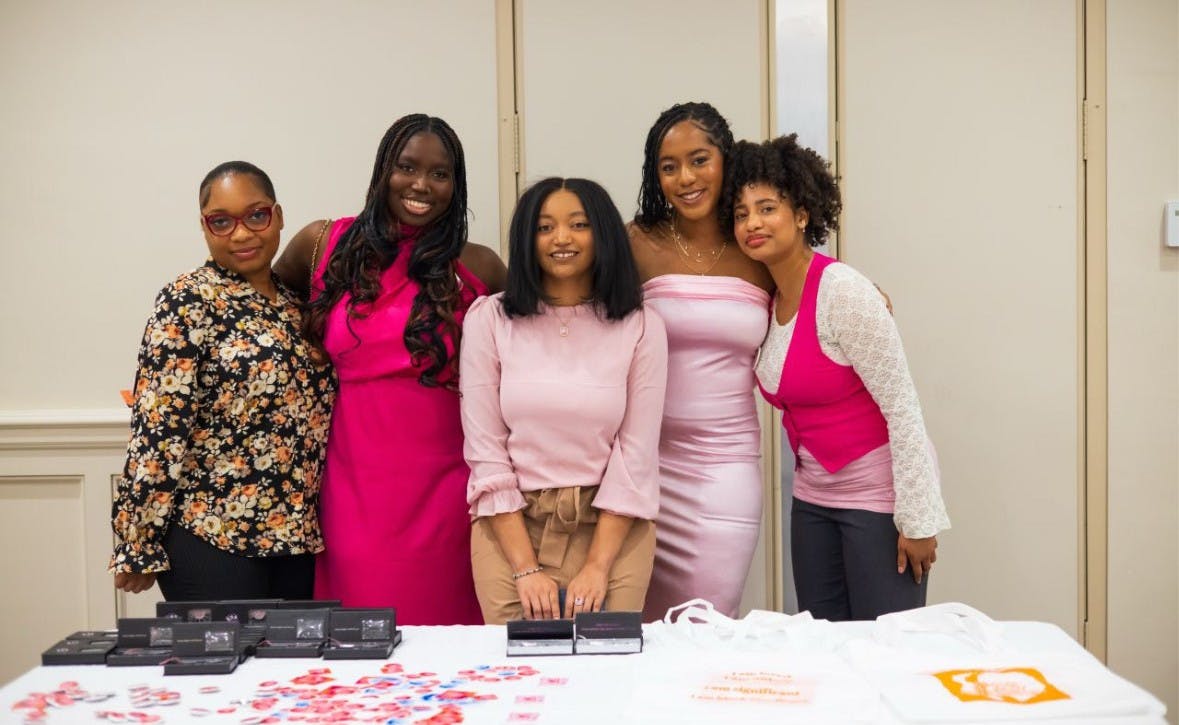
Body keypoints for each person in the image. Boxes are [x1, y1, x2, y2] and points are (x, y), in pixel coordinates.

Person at [272, 114, 506, 624]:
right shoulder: (323, 246)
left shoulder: (481, 267)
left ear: (456, 184)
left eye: (439, 174)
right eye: (407, 167)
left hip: (447, 499)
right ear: (384, 170)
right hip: (351, 494)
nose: (421, 184)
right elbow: (259, 301)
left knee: (448, 658)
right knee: (362, 655)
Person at [724, 134, 950, 621]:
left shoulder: (844, 292)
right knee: (824, 650)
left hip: (879, 503)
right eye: (741, 214)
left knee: (886, 650)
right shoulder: (764, 298)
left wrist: (918, 519)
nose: (753, 223)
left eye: (767, 208)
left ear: (802, 213)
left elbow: (903, 409)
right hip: (812, 501)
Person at [110, 161, 336, 601]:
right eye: (222, 221)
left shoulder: (299, 305)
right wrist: (137, 542)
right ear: (204, 226)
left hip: (297, 539)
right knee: (221, 671)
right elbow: (159, 430)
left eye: (256, 215)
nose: (242, 233)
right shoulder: (187, 300)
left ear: (279, 215)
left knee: (294, 671)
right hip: (213, 535)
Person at [460, 177, 667, 623]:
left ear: (603, 234)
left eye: (578, 224)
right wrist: (525, 567)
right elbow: (486, 452)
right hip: (510, 526)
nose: (561, 239)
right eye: (544, 227)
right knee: (520, 679)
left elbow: (636, 455)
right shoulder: (489, 320)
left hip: (612, 529)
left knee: (605, 676)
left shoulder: (641, 325)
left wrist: (597, 567)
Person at [628, 102, 772, 620]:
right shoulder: (636, 242)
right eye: (669, 167)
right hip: (641, 472)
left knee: (704, 627)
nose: (685, 178)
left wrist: (866, 292)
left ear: (725, 161)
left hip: (724, 476)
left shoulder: (756, 245)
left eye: (699, 160)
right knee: (637, 637)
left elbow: (817, 291)